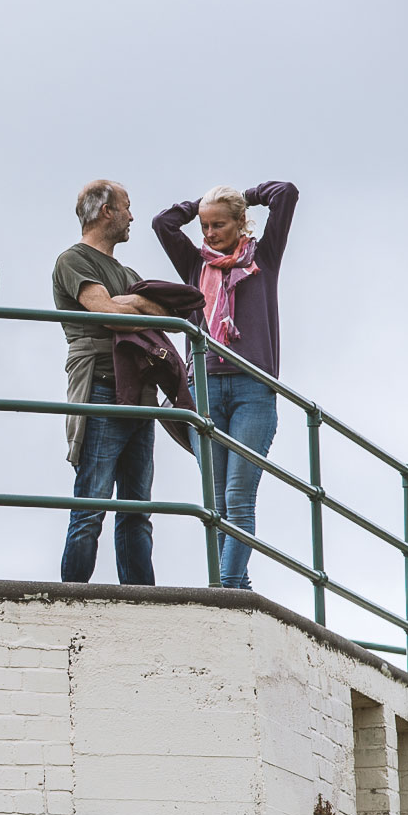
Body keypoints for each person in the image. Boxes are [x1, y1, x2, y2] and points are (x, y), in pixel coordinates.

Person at [154, 180, 299, 589]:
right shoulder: (194, 265)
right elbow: (163, 223)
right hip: (205, 389)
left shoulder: (263, 258)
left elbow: (285, 193)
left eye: (219, 224)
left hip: (254, 391)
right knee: (216, 503)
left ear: (240, 223)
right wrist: (197, 204)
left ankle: (225, 589)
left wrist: (245, 195)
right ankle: (237, 588)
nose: (210, 234)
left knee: (238, 498)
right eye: (205, 226)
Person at [52, 181, 173, 585]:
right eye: (126, 207)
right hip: (102, 386)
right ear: (106, 211)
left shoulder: (128, 273)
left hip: (140, 393)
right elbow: (105, 311)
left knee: (138, 510)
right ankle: (72, 598)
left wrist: (132, 304)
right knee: (92, 504)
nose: (131, 216)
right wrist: (132, 305)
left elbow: (160, 312)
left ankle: (142, 597)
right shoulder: (72, 260)